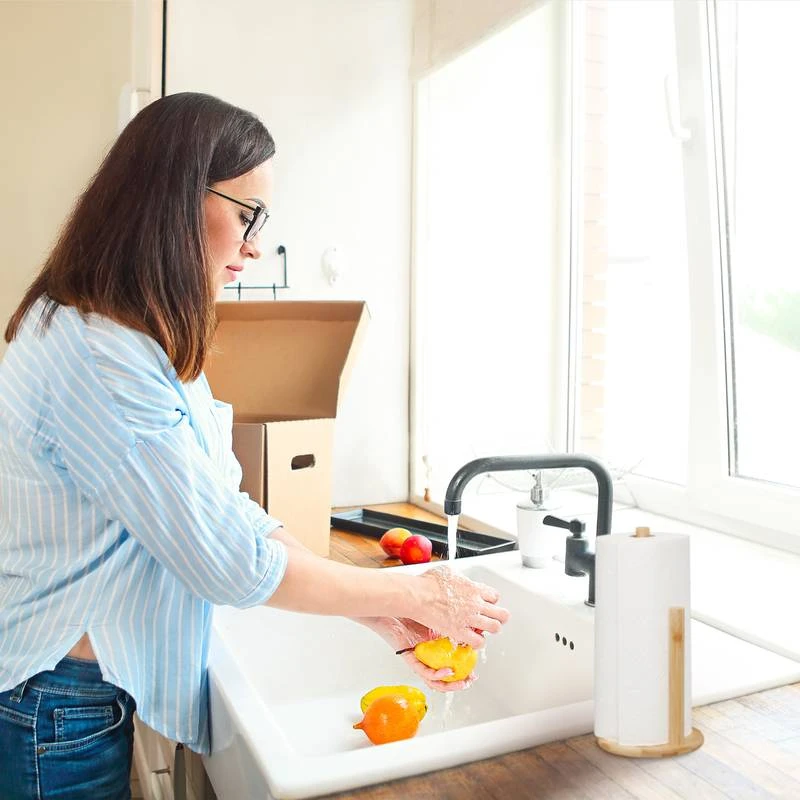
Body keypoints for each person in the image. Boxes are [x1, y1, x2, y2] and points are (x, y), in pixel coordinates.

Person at [0, 92, 509, 799]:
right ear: (174, 199)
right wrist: (409, 589)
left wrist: (383, 609)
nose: (255, 245)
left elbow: (229, 512)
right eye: (247, 214)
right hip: (53, 710)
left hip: (68, 700)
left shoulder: (136, 338)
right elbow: (231, 561)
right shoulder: (99, 357)